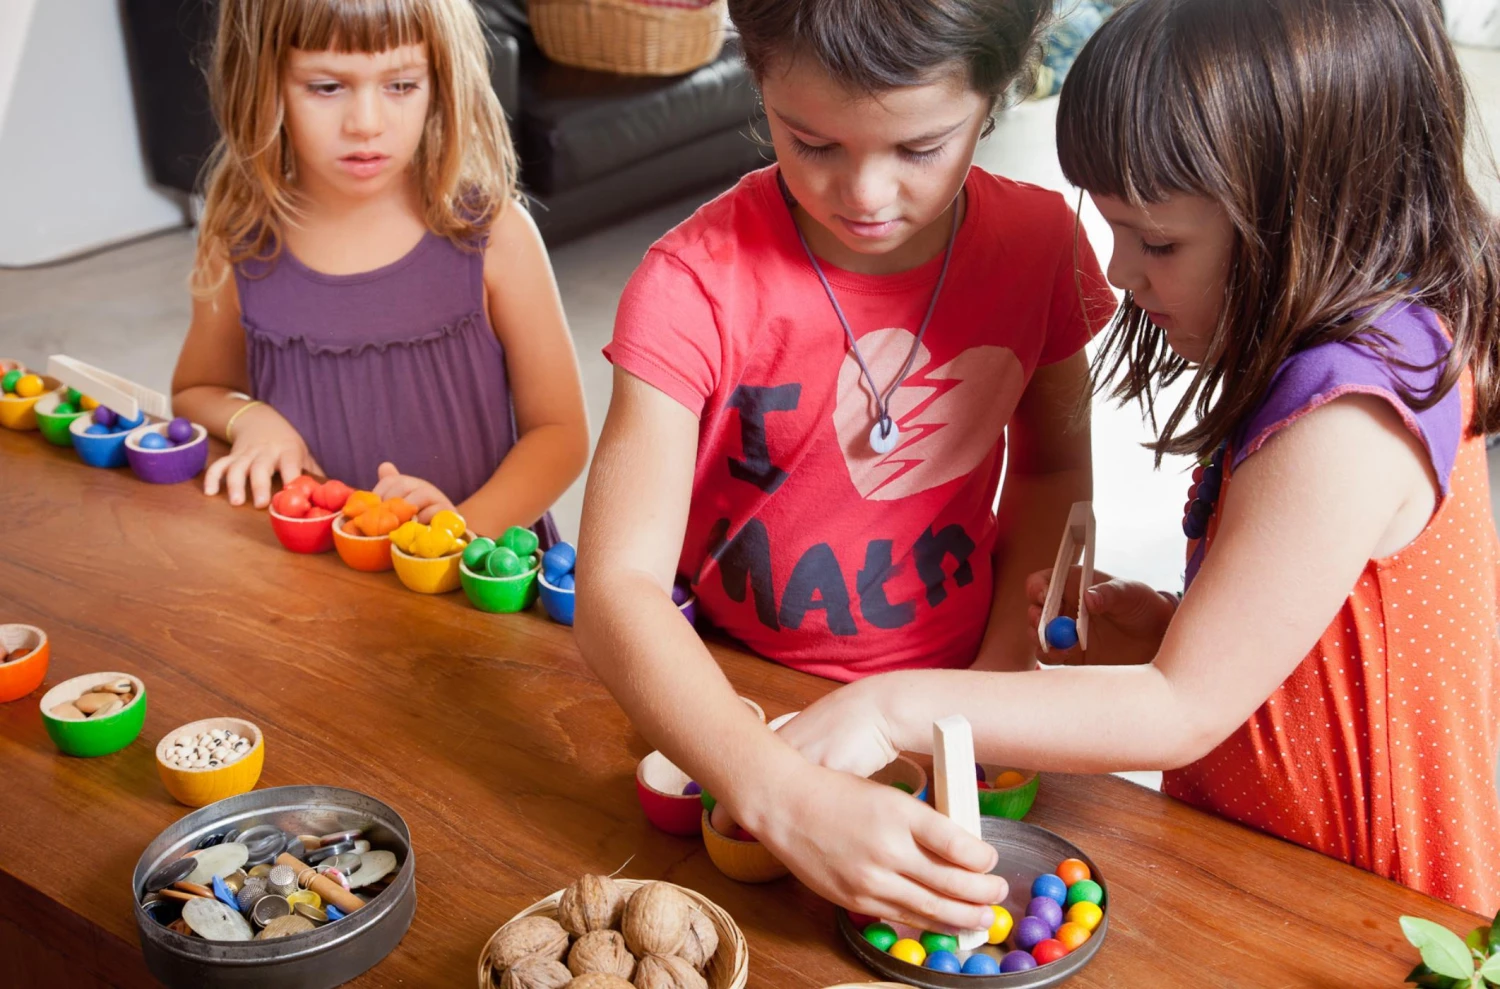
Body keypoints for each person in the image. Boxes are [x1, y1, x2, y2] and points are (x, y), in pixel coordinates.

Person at [779, 0, 1500, 915]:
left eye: (1158, 242)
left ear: (1306, 212)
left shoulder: (1348, 418)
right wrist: (1172, 629)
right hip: (1266, 864)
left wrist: (891, 708)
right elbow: (1309, 641)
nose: (1120, 272)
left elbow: (1181, 709)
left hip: (1358, 907)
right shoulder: (1361, 333)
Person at [575, 0, 1116, 930]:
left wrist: (997, 680)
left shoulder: (1041, 247)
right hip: (734, 700)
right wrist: (778, 792)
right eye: (813, 142)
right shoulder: (691, 286)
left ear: (997, 94)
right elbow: (617, 587)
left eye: (920, 148)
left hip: (959, 688)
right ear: (758, 81)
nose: (865, 193)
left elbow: (1051, 475)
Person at [172, 0, 588, 538]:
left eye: (401, 85)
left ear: (440, 81)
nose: (366, 124)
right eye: (326, 87)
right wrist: (250, 419)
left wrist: (450, 537)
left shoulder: (497, 236)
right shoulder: (238, 241)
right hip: (310, 576)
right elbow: (196, 389)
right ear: (262, 83)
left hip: (474, 568)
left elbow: (560, 435)